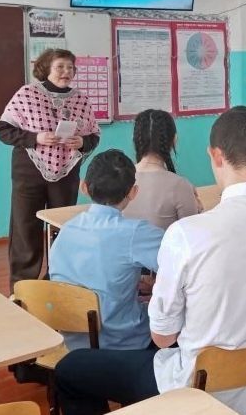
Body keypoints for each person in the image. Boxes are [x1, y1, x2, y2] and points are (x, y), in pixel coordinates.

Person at [55, 106, 246, 415]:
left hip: (201, 392)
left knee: (71, 368)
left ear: (215, 155)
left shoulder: (188, 234)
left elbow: (163, 338)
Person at [0, 48, 100, 292]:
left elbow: (93, 135)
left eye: (70, 67)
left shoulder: (81, 100)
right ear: (46, 69)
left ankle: (58, 281)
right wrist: (35, 138)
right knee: (25, 228)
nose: (66, 72)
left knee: (61, 228)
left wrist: (82, 142)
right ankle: (23, 289)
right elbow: (4, 130)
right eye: (60, 67)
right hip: (28, 172)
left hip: (66, 174)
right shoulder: (27, 94)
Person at [49, 150, 163, 350]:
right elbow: (183, 263)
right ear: (133, 192)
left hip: (72, 343)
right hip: (122, 344)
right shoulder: (136, 233)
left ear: (84, 187)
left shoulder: (66, 229)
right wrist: (158, 285)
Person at [123, 109, 201, 229]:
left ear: (134, 139)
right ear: (174, 139)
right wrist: (199, 210)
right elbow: (192, 234)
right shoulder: (180, 185)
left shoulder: (119, 177)